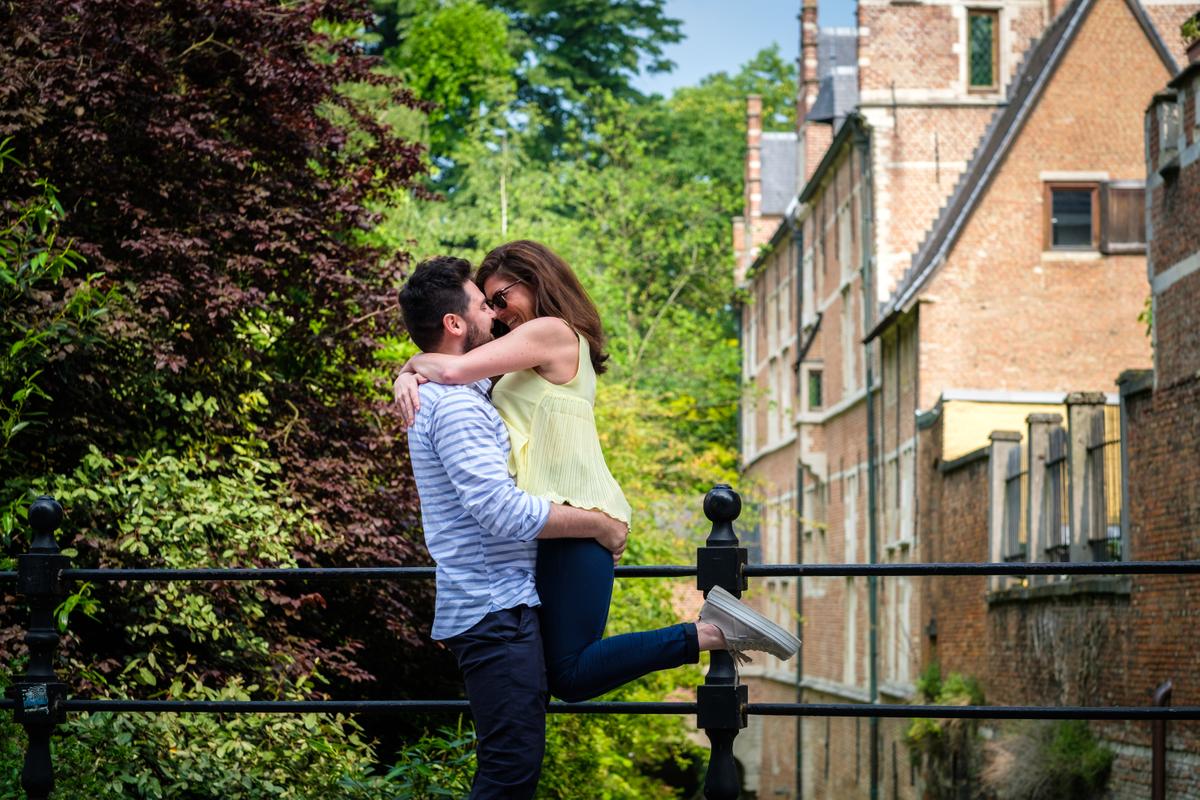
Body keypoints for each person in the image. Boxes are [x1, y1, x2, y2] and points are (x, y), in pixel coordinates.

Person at [396, 244, 799, 711]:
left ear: (535, 281)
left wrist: (407, 370)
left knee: (569, 674)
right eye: (488, 304)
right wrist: (412, 374)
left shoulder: (551, 331)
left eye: (500, 299)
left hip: (576, 519)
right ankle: (709, 631)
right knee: (558, 672)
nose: (498, 314)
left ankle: (711, 632)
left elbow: (449, 367)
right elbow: (453, 369)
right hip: (550, 522)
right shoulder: (518, 354)